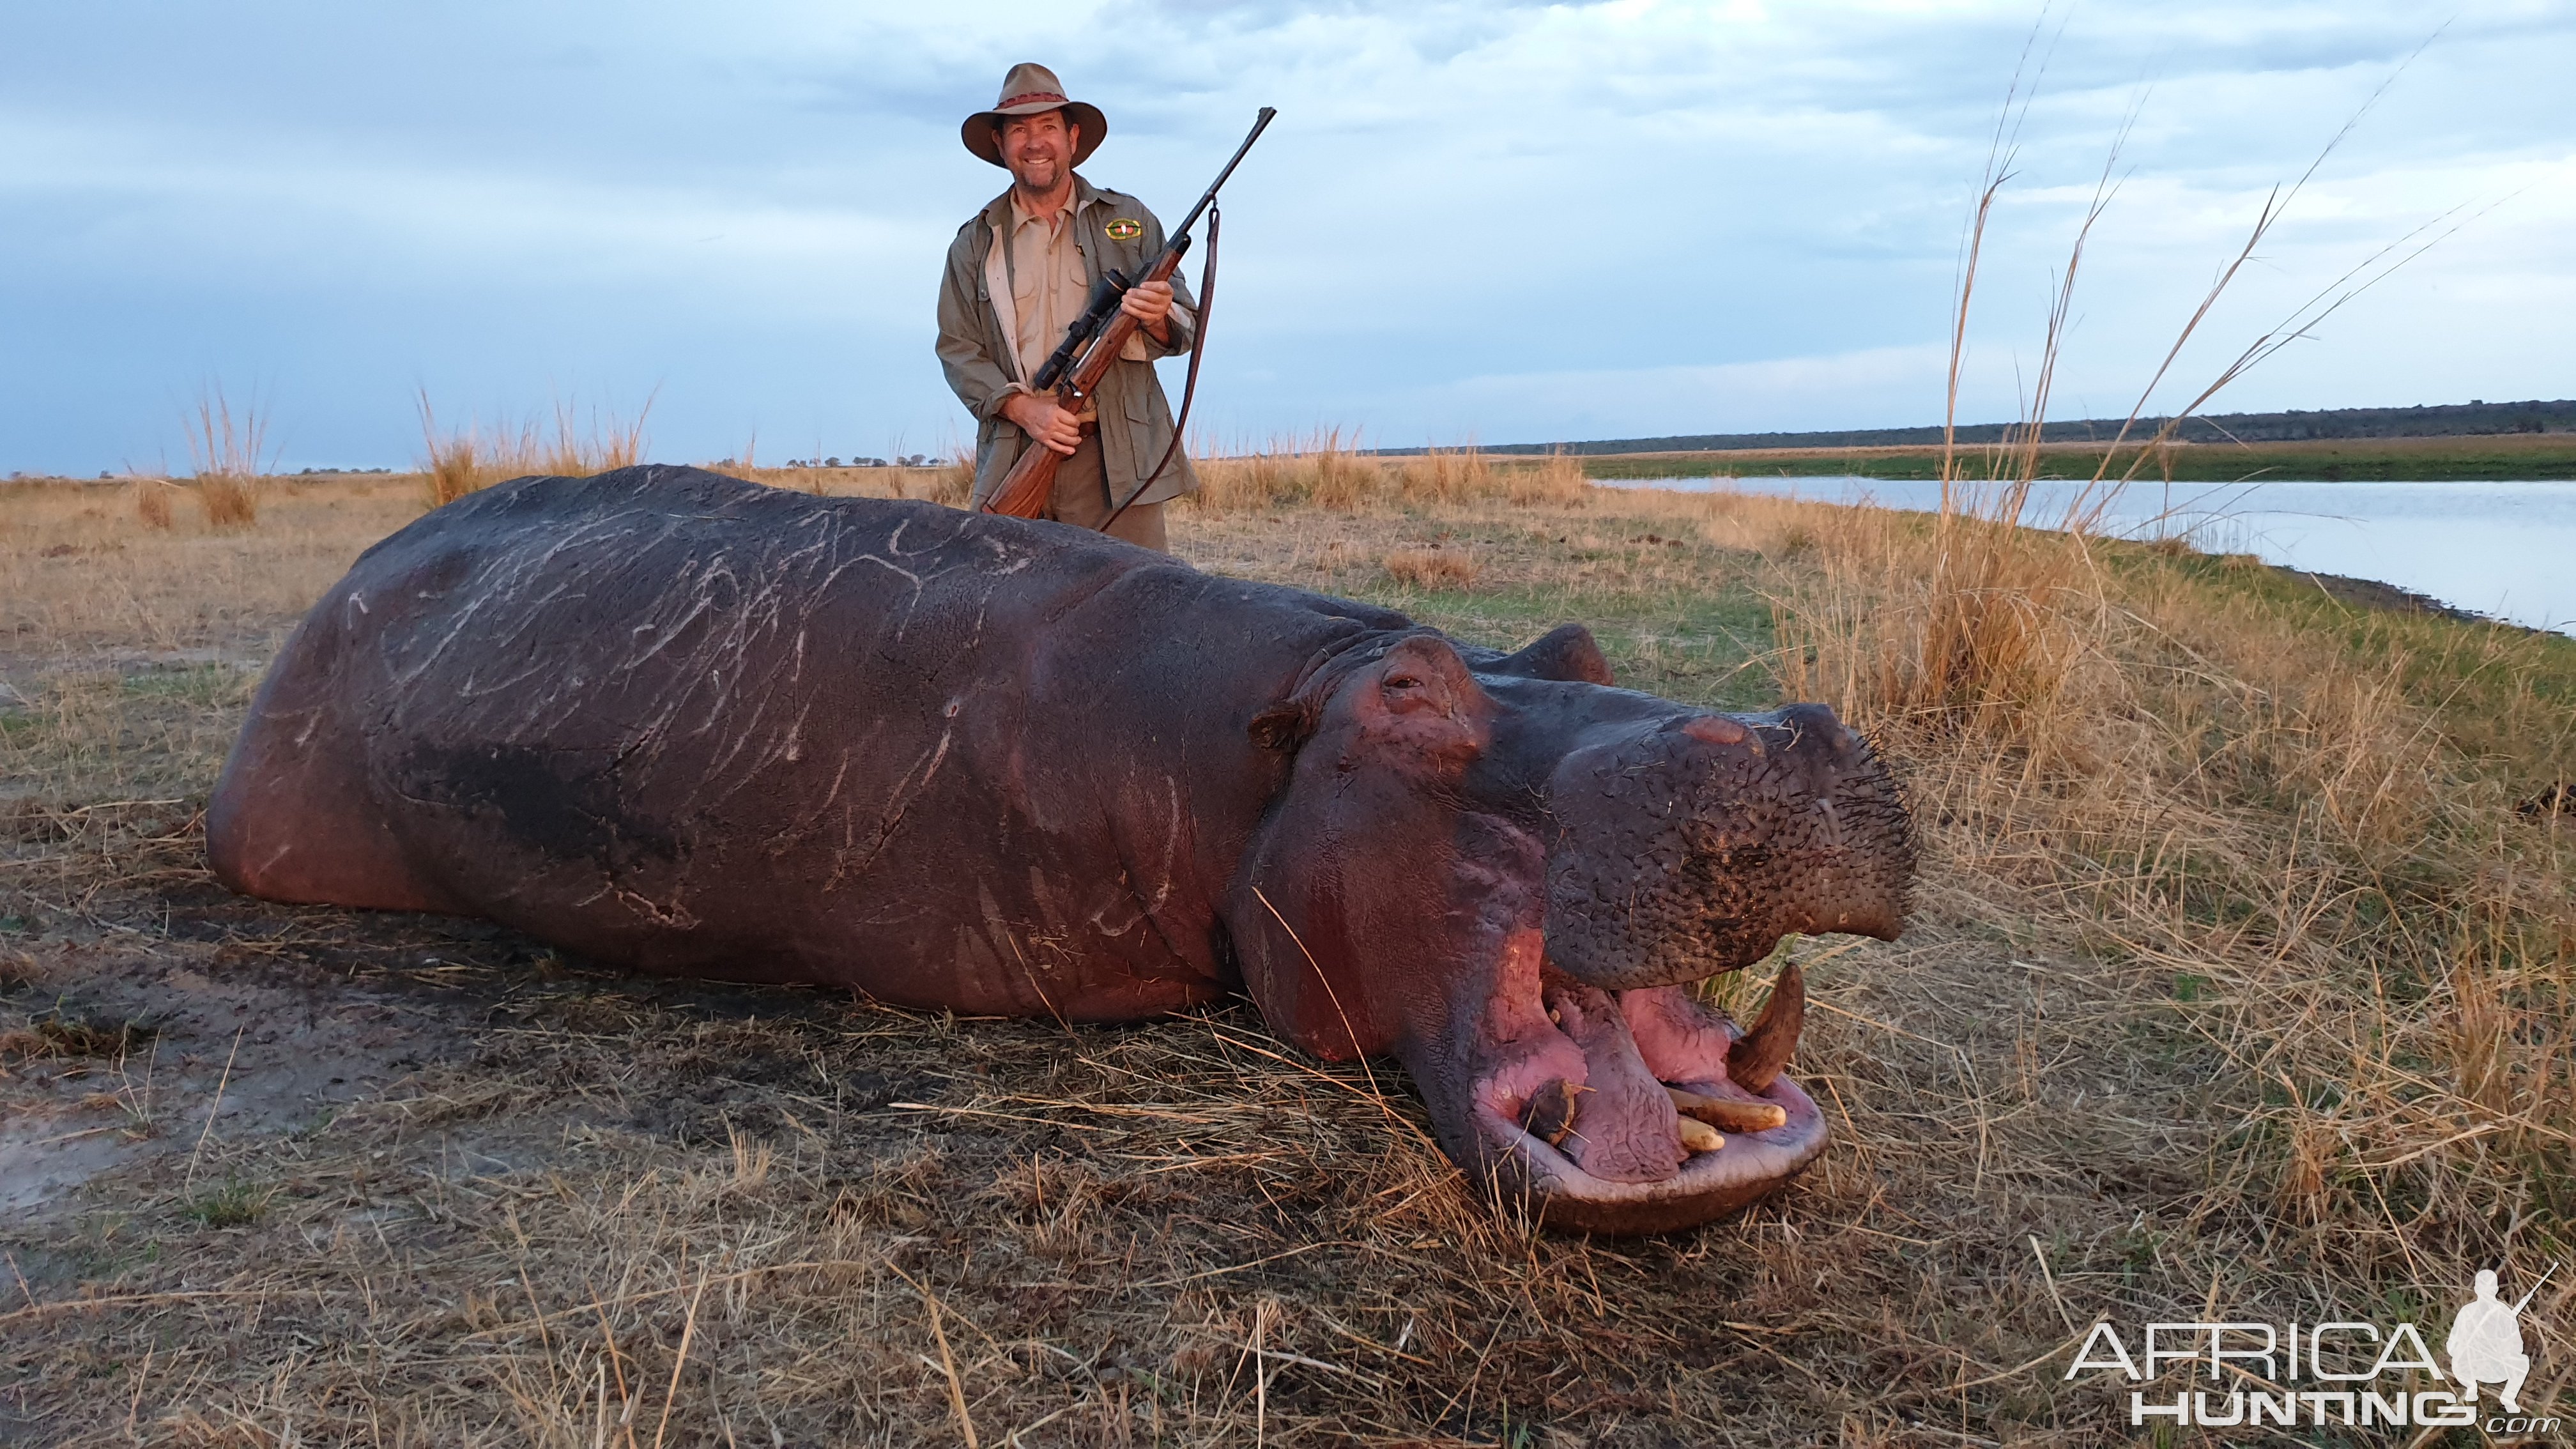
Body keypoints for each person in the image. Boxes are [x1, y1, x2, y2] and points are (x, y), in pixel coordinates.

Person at [935, 63, 1197, 551]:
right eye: (1019, 129)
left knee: (1134, 610)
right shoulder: (974, 242)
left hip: (1117, 464)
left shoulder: (1130, 220)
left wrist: (1159, 314)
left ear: (1073, 137)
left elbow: (1185, 326)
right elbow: (957, 349)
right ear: (1001, 145)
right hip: (1017, 452)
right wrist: (1023, 408)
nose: (1035, 142)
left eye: (1048, 127)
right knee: (1004, 613)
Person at [2446, 1269, 2531, 1413]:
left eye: (2490, 1288)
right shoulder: (2467, 1313)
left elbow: (2517, 1344)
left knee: (2522, 1363)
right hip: (2470, 1367)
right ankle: (2471, 1389)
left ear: (2496, 1289)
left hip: (2497, 1366)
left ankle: (2509, 1397)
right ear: (2476, 1289)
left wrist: (2504, 1348)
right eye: (2484, 1288)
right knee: (2458, 1362)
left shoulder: (2504, 1313)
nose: (2487, 1292)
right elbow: (2452, 1344)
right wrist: (2468, 1348)